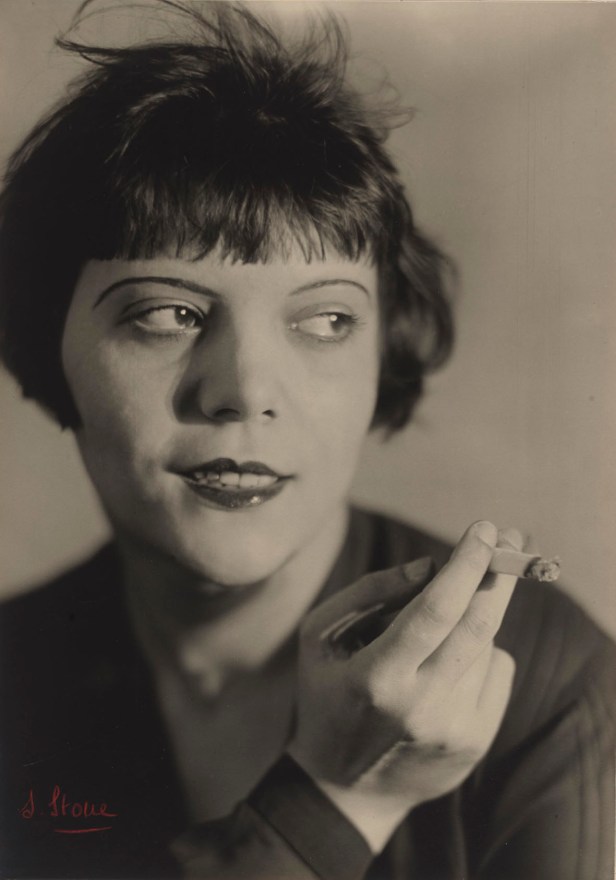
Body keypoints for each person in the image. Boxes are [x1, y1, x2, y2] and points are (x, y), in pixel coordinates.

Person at [0, 3, 613, 878]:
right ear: (45, 342)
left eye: (325, 320)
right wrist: (335, 801)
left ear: (384, 354)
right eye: (167, 314)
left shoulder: (549, 684)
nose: (246, 392)